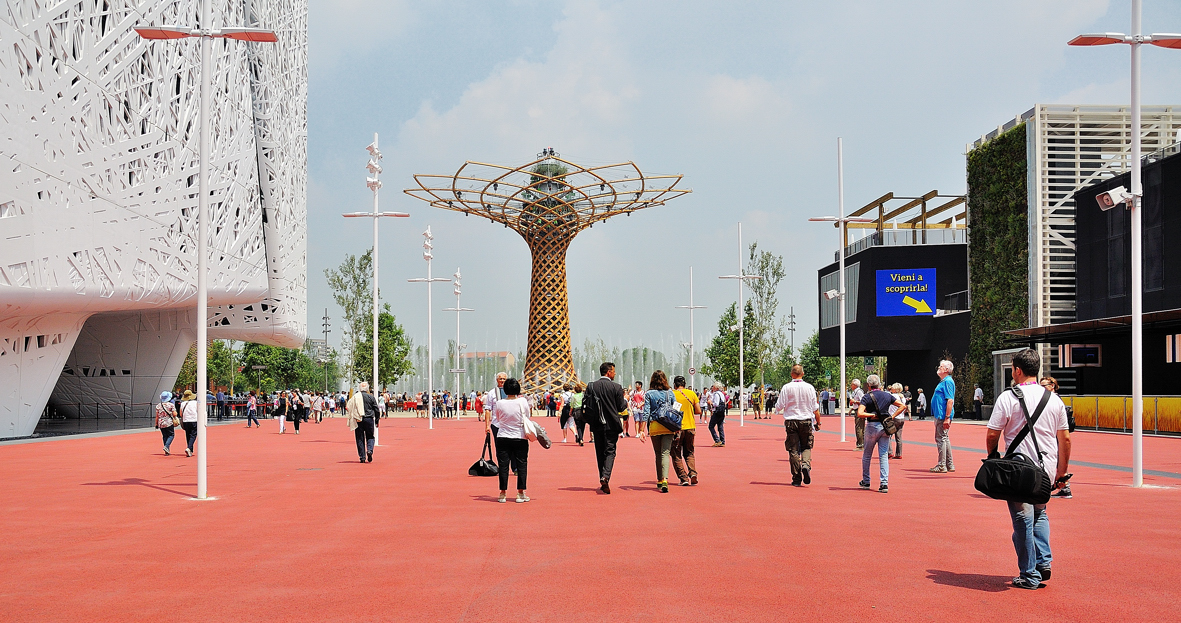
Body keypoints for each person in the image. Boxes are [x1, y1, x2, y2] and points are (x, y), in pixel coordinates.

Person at [986, 348, 1071, 590]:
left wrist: (993, 456)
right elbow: (1064, 439)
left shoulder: (1008, 397)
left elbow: (993, 432)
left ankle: (1029, 573)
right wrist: (1061, 472)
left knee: (1022, 518)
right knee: (1040, 513)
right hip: (1046, 468)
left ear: (1017, 370)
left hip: (1019, 468)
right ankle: (1044, 562)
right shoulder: (1054, 399)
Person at [857, 375, 905, 493]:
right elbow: (902, 406)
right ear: (879, 384)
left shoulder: (867, 397)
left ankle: (866, 480)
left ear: (869, 385)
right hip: (884, 427)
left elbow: (860, 413)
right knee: (883, 455)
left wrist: (872, 415)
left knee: (867, 454)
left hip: (872, 426)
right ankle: (884, 483)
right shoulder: (887, 395)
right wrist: (891, 417)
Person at [487, 377, 532, 503]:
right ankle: (520, 493)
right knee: (522, 464)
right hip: (520, 437)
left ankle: (502, 493)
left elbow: (498, 418)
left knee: (503, 466)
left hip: (503, 436)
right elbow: (527, 416)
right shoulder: (522, 402)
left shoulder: (500, 403)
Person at [585, 362, 627, 494]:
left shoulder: (592, 386)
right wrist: (625, 400)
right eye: (614, 371)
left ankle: (602, 479)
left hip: (596, 424)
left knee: (599, 452)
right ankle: (606, 476)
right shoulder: (616, 387)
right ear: (608, 372)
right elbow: (621, 407)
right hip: (611, 425)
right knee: (610, 451)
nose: (615, 373)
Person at [774, 365, 819, 487]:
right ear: (803, 374)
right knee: (806, 446)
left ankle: (796, 477)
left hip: (791, 420)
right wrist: (818, 422)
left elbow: (779, 405)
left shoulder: (787, 387)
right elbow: (815, 407)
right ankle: (805, 464)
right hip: (806, 420)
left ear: (791, 374)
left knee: (793, 450)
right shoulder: (809, 387)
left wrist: (777, 410)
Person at [638, 370, 677, 493]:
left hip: (655, 425)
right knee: (666, 452)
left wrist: (641, 429)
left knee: (658, 453)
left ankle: (659, 480)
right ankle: (665, 479)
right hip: (668, 425)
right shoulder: (670, 393)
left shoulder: (649, 393)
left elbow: (646, 412)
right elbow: (676, 408)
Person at [1041, 376, 1073, 500]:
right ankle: (1063, 487)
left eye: (1044, 386)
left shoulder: (1055, 400)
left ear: (1052, 386)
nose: (1041, 389)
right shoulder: (1048, 399)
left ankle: (1063, 487)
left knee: (1055, 461)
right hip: (1053, 436)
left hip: (1055, 436)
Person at [668, 375, 700, 486]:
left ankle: (683, 478)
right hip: (690, 426)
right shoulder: (691, 394)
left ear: (674, 384)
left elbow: (672, 411)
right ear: (685, 384)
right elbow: (698, 410)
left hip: (677, 428)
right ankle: (693, 473)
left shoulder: (672, 394)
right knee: (689, 452)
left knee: (676, 454)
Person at [929, 360, 956, 473]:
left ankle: (942, 465)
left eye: (941, 367)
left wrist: (947, 417)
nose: (939, 368)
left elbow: (950, 400)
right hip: (941, 414)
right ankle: (949, 464)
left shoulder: (947, 382)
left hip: (942, 415)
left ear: (946, 370)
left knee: (941, 439)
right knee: (945, 438)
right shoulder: (944, 381)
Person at [347, 382, 379, 463]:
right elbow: (376, 409)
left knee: (359, 438)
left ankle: (362, 457)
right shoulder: (371, 397)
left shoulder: (355, 397)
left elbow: (348, 406)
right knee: (370, 437)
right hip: (369, 419)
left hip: (359, 419)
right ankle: (370, 450)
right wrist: (377, 420)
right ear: (367, 389)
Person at [887, 383, 909, 459]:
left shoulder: (892, 396)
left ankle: (889, 452)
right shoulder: (902, 397)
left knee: (888, 435)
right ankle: (899, 453)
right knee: (899, 437)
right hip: (901, 418)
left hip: (894, 417)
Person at [179, 389, 199, 457]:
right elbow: (198, 411)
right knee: (193, 434)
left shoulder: (182, 404)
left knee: (188, 435)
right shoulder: (195, 403)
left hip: (186, 421)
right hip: (194, 420)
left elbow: (181, 414)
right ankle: (189, 448)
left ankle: (190, 449)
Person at [707, 382, 728, 447]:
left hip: (717, 412)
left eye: (713, 386)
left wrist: (711, 403)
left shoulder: (716, 394)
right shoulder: (722, 394)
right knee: (720, 426)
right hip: (721, 412)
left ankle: (717, 440)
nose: (712, 388)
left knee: (711, 426)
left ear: (716, 387)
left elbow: (716, 404)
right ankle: (722, 441)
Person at [849, 379, 865, 449]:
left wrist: (855, 401)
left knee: (859, 428)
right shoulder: (855, 392)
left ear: (855, 385)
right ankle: (861, 443)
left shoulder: (859, 392)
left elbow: (863, 401)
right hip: (856, 409)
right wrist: (852, 408)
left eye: (852, 384)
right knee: (858, 427)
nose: (851, 386)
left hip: (859, 411)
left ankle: (860, 444)